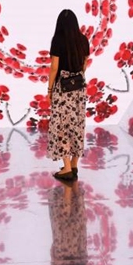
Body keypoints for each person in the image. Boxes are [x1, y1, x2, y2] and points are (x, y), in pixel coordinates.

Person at [47, 9, 90, 181]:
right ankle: (74, 164)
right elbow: (84, 64)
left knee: (61, 127)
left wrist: (49, 90)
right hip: (79, 89)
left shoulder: (58, 40)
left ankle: (66, 169)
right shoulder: (83, 40)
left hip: (62, 90)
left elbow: (54, 68)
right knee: (77, 125)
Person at [48, 180, 90, 265]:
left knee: (78, 217)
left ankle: (73, 175)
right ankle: (67, 178)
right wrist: (53, 262)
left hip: (80, 254)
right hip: (63, 258)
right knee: (62, 219)